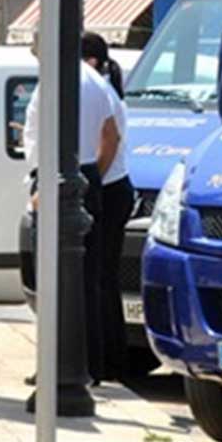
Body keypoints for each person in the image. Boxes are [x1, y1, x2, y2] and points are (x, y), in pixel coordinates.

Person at [22, 37, 122, 384]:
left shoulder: (57, 82)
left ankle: (60, 367)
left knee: (53, 282)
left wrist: (44, 189)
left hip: (56, 176)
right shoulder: (94, 80)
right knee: (86, 282)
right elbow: (111, 135)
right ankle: (89, 365)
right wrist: (93, 179)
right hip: (85, 174)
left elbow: (42, 139)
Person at [81, 32, 136, 380]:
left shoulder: (101, 92)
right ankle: (108, 359)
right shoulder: (100, 89)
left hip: (111, 190)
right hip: (110, 187)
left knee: (99, 279)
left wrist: (91, 182)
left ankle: (108, 360)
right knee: (101, 278)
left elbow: (109, 142)